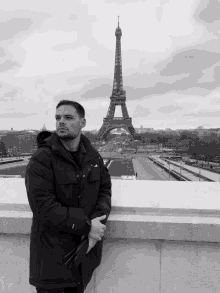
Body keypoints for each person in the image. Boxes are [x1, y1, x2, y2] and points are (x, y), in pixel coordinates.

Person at [25, 100, 112, 293]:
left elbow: (104, 190)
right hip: (51, 262)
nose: (61, 122)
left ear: (83, 122)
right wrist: (88, 226)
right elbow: (43, 207)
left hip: (82, 258)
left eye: (68, 117)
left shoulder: (93, 157)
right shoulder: (41, 158)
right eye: (58, 118)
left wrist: (98, 221)